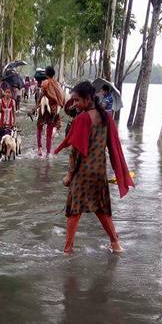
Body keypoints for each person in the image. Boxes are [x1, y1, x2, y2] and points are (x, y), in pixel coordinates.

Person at [54, 79, 134, 255]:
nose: (74, 104)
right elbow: (113, 147)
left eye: (77, 100)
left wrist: (69, 176)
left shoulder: (82, 119)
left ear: (89, 98)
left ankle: (68, 249)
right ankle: (116, 244)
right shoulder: (106, 118)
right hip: (99, 172)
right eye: (73, 100)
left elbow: (76, 151)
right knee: (102, 209)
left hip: (82, 172)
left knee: (74, 211)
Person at [36, 65, 65, 158]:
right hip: (54, 110)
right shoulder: (57, 84)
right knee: (49, 130)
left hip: (45, 108)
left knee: (39, 127)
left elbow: (42, 95)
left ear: (46, 74)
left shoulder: (45, 83)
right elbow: (61, 97)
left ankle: (40, 149)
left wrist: (36, 105)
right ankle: (48, 152)